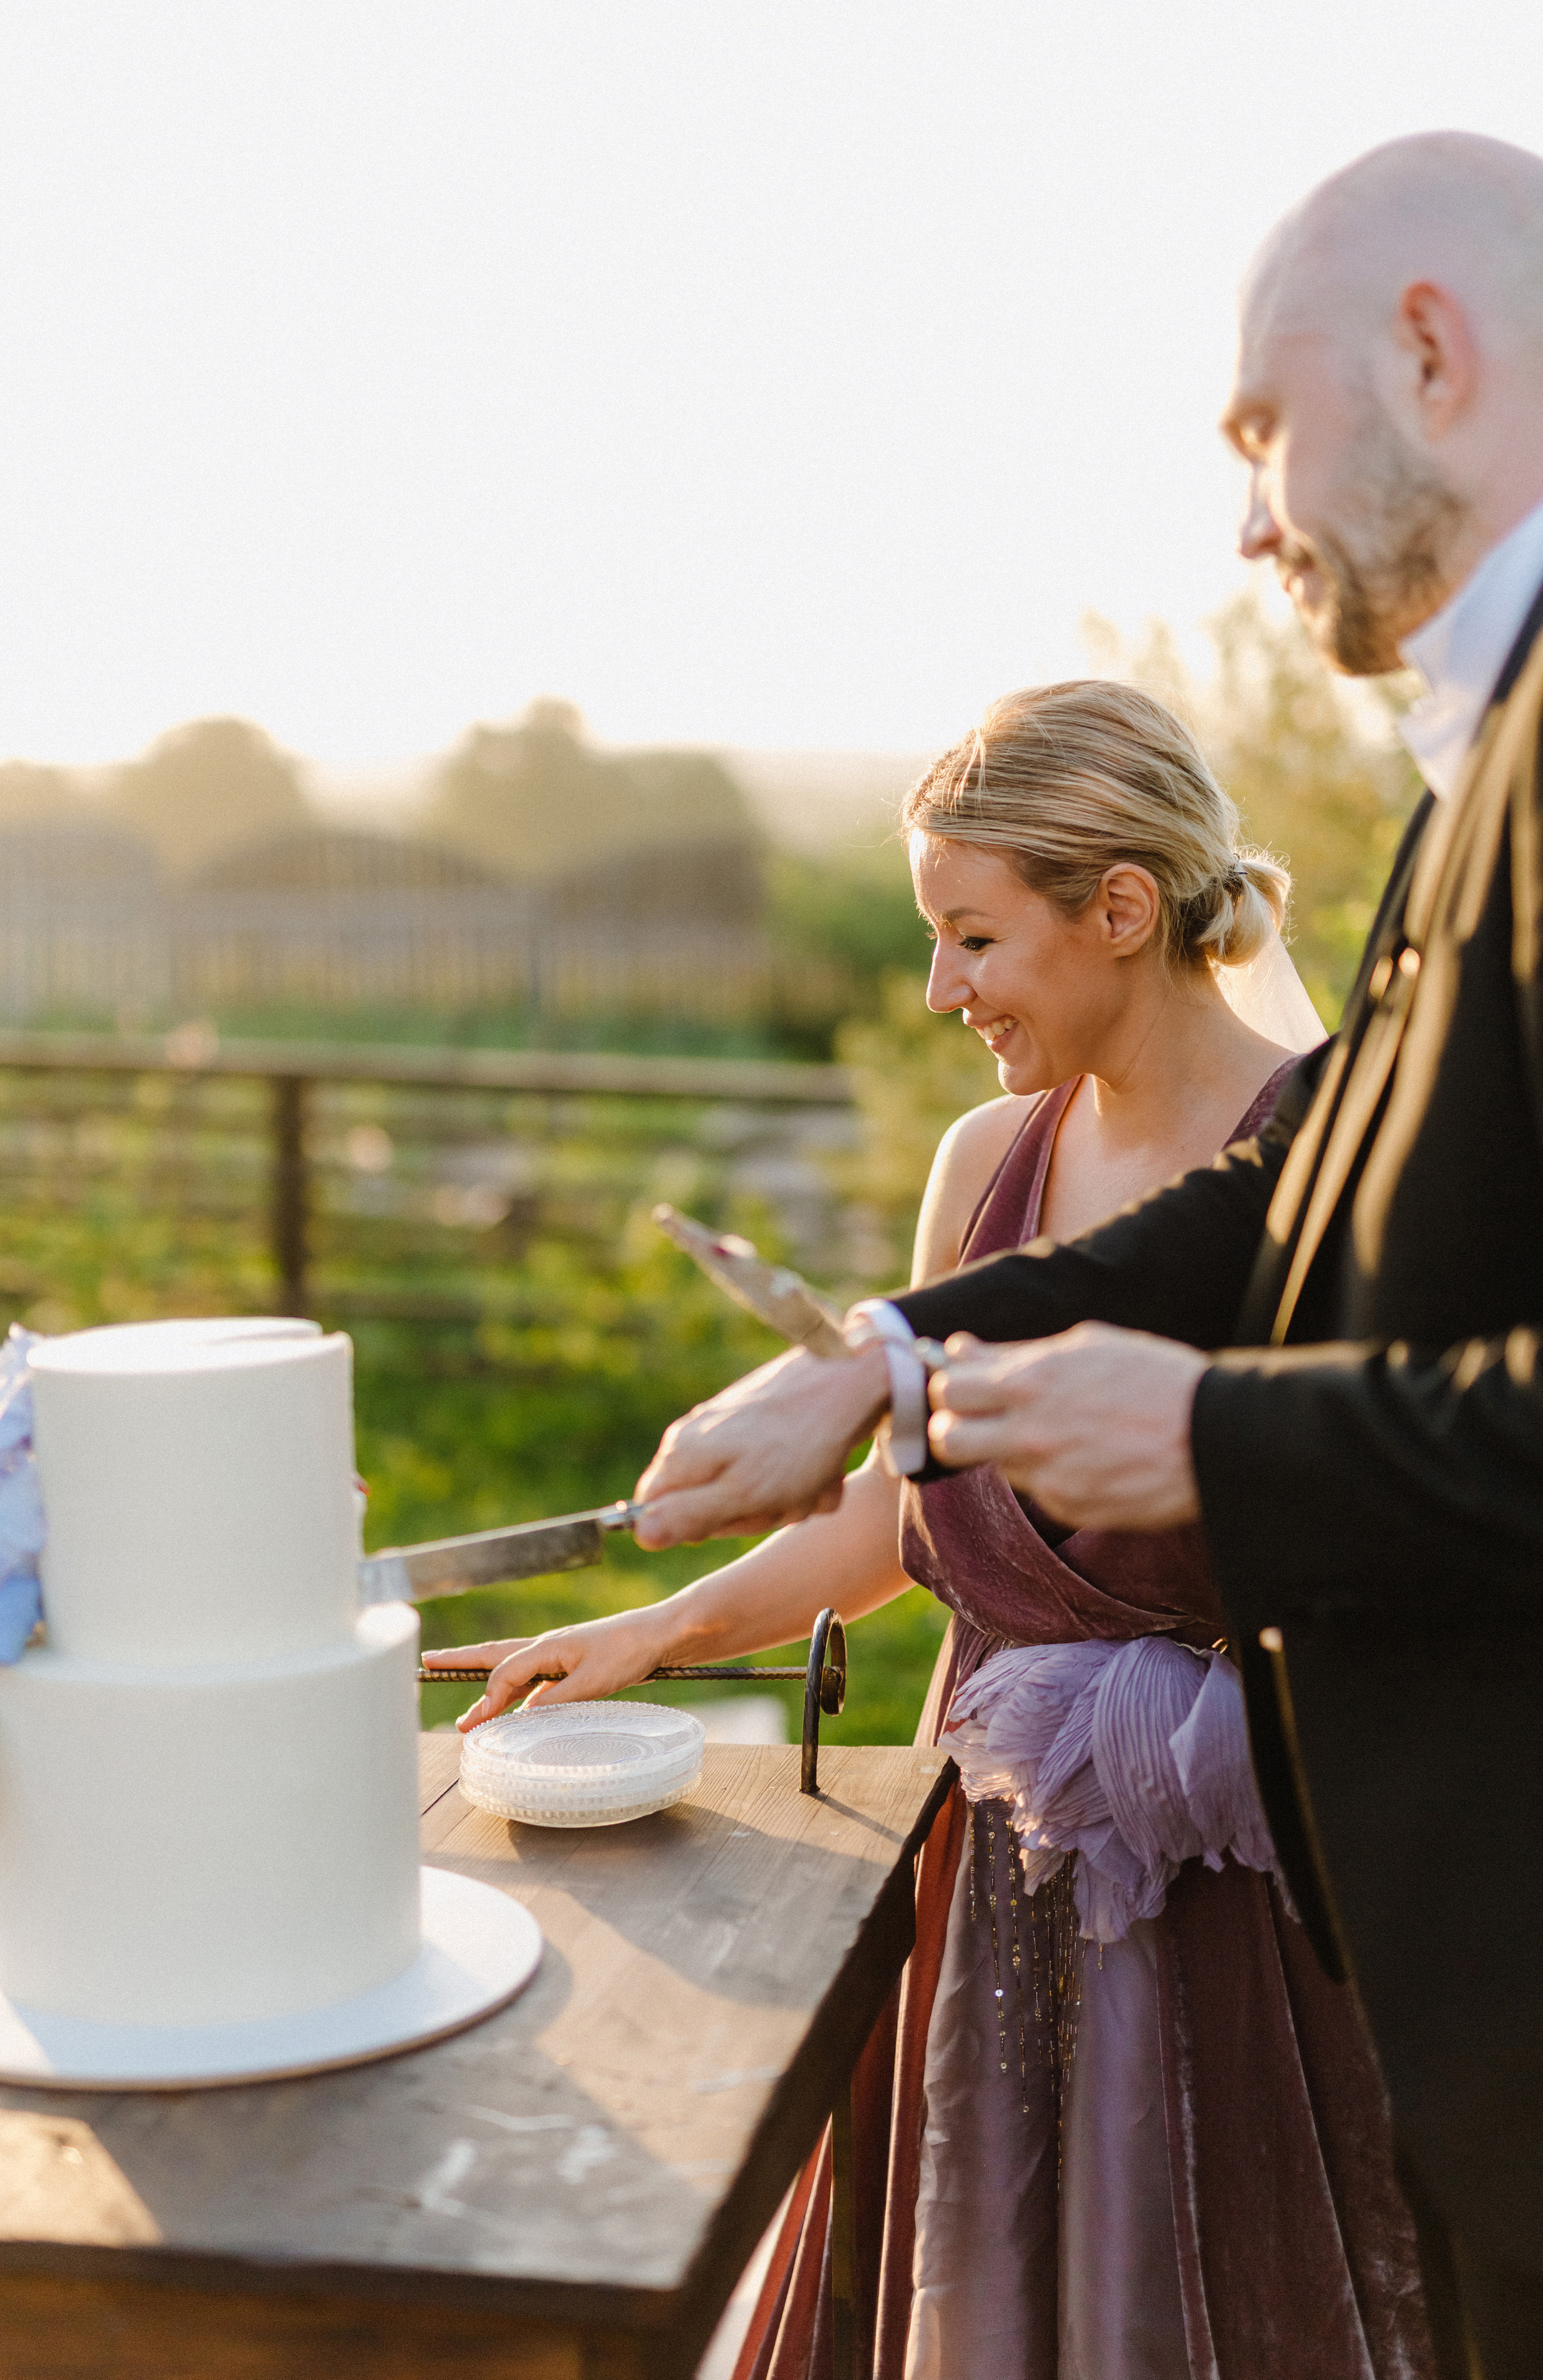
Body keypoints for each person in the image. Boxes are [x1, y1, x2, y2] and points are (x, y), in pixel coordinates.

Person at [624, 131, 1543, 2380]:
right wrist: (888, 1356)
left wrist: (1216, 1438)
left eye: (1260, 430)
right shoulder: (1477, 769)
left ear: (1430, 351)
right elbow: (1281, 1217)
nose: (1249, 512)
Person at [430, 683, 1434, 2379]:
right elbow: (913, 1525)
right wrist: (655, 1630)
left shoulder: (1336, 1160)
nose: (937, 991)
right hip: (997, 1884)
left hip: (1262, 1915)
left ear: (1121, 911)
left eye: (972, 938)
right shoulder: (987, 1163)